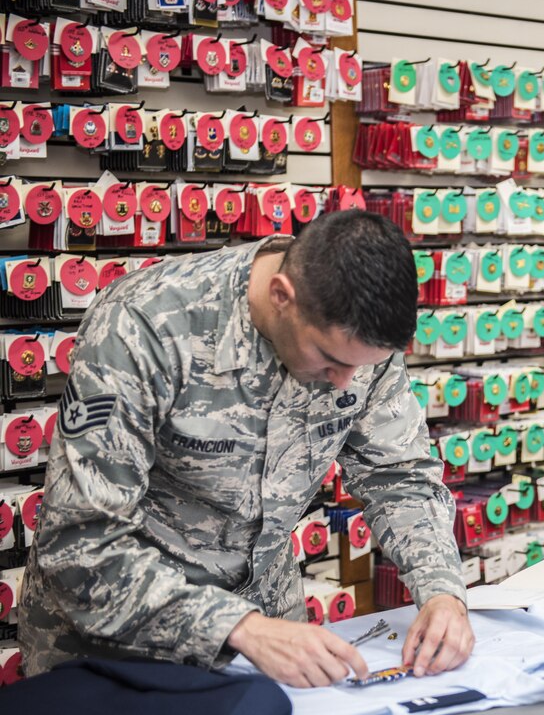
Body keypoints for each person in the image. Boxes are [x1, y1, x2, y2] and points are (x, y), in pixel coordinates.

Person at [18, 210, 474, 688]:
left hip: (273, 634)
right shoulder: (144, 325)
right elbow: (81, 544)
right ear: (282, 297)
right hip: (120, 644)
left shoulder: (357, 340)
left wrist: (441, 590)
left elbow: (399, 477)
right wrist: (239, 627)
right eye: (331, 361)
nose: (346, 382)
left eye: (362, 367)